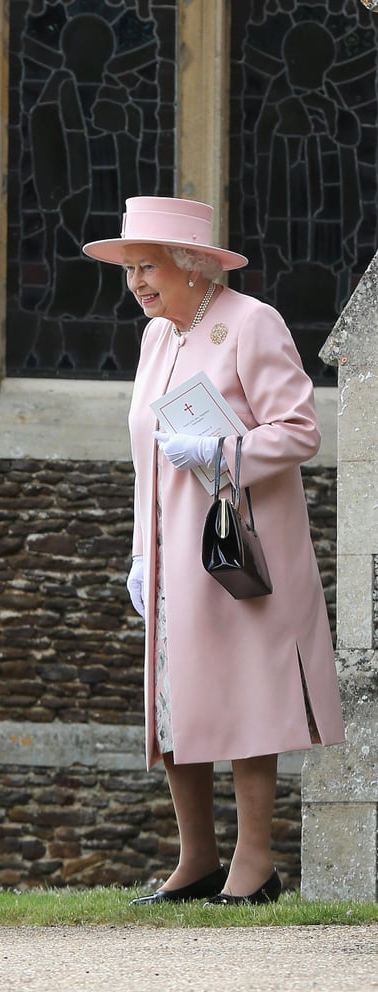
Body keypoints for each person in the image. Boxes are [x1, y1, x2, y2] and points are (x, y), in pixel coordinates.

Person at [82, 196, 344, 905]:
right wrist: (141, 552)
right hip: (170, 555)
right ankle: (194, 860)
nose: (136, 282)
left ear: (192, 265)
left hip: (239, 549)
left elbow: (298, 432)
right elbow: (148, 461)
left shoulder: (250, 324)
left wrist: (220, 450)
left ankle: (254, 862)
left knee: (246, 696)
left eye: (148, 266)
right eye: (129, 269)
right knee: (175, 701)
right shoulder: (155, 338)